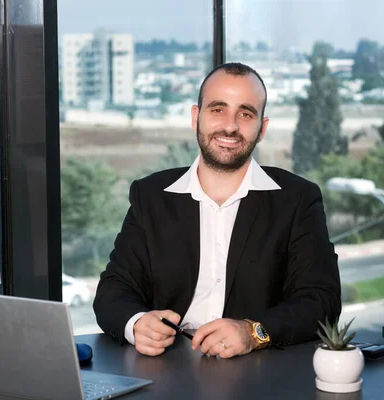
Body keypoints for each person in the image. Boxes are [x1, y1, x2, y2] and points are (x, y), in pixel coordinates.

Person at [94, 62, 341, 359]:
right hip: (165, 367)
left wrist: (253, 332)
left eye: (245, 113)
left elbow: (321, 300)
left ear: (261, 128)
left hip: (257, 372)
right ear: (196, 116)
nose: (230, 126)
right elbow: (114, 289)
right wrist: (136, 324)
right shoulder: (151, 196)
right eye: (217, 109)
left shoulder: (297, 199)